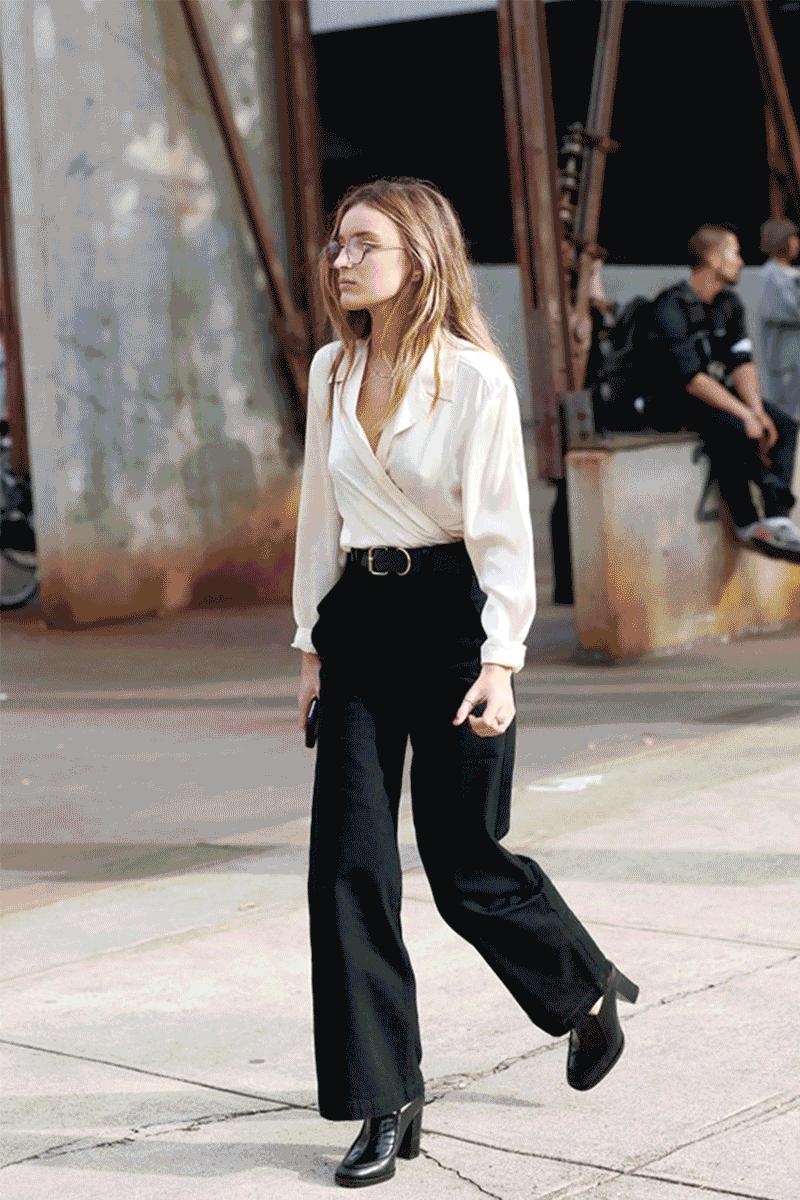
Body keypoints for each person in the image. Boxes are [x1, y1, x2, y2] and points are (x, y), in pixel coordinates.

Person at [290, 177, 639, 1189]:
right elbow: (320, 517)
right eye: (337, 243)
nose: (340, 259)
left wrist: (501, 662)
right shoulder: (330, 370)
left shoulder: (474, 379)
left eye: (362, 244)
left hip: (455, 623)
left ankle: (580, 989)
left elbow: (501, 534)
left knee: (464, 863)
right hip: (360, 621)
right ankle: (383, 1097)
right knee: (346, 867)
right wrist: (309, 650)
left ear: (420, 260)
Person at [648, 224, 800, 563]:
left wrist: (757, 410)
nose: (741, 262)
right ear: (712, 258)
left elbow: (741, 363)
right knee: (731, 427)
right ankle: (747, 522)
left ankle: (777, 518)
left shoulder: (729, 304)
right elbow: (692, 380)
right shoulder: (670, 307)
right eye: (734, 253)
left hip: (716, 394)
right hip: (674, 400)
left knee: (784, 426)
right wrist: (744, 415)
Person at [758, 217, 800, 424]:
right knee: (783, 413)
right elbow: (784, 310)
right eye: (793, 238)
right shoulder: (770, 275)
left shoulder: (790, 274)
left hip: (794, 355)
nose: (797, 243)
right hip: (782, 357)